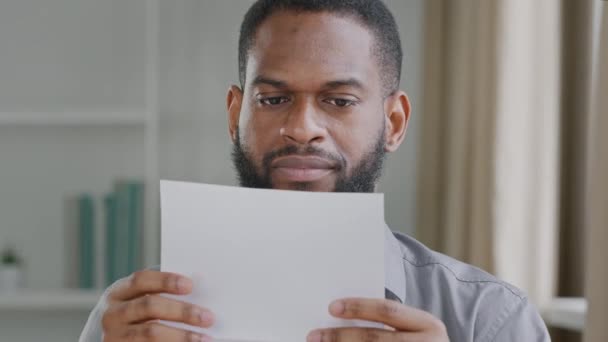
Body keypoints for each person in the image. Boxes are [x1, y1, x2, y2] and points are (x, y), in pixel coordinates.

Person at [80, 0, 550, 341]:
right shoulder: (135, 319)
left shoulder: (490, 319)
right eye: (274, 99)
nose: (302, 129)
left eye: (339, 101)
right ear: (234, 115)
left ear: (394, 122)